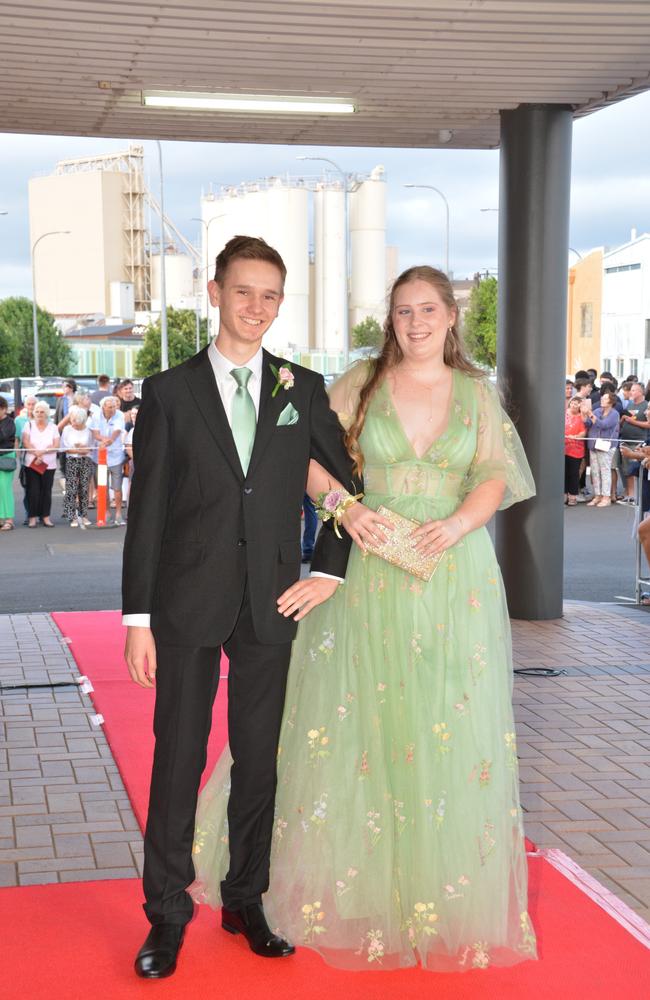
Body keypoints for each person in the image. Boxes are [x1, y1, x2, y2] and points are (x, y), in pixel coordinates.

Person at [192, 265, 537, 972]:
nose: (414, 323)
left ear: (450, 317)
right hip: (364, 572)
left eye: (427, 310)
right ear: (392, 319)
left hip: (451, 578)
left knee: (440, 727)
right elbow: (301, 458)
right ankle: (324, 887)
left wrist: (461, 524)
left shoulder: (476, 392)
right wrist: (345, 507)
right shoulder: (359, 383)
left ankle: (430, 895)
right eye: (403, 312)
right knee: (347, 725)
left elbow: (497, 473)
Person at [121, 235, 358, 979]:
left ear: (280, 304)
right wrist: (136, 621)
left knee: (259, 764)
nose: (256, 307)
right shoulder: (168, 392)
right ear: (215, 292)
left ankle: (244, 898)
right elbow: (147, 513)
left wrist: (331, 571)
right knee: (178, 761)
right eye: (243, 291)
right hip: (186, 603)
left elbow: (349, 494)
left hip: (273, 606)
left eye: (270, 295)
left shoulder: (302, 390)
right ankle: (165, 915)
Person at [22, 401, 60, 528]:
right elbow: (26, 442)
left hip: (49, 464)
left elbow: (56, 445)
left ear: (47, 413)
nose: (39, 414)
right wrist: (37, 454)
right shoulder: (28, 425)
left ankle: (45, 517)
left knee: (46, 491)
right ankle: (32, 518)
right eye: (37, 411)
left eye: (42, 411)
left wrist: (43, 452)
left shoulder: (53, 427)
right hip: (32, 463)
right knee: (33, 491)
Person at [89, 396, 126, 525]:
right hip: (100, 457)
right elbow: (95, 433)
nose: (113, 409)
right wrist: (104, 440)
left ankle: (118, 514)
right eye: (110, 407)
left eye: (114, 406)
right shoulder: (96, 416)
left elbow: (117, 431)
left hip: (116, 456)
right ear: (103, 407)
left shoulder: (119, 415)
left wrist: (110, 440)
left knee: (117, 487)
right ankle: (106, 512)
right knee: (102, 487)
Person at [583, 389, 620, 507]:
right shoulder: (597, 410)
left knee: (605, 471)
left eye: (605, 398)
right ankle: (597, 495)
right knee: (594, 471)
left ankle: (606, 496)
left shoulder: (614, 414)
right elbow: (588, 423)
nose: (601, 400)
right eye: (602, 398)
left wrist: (590, 414)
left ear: (611, 402)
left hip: (606, 446)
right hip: (594, 445)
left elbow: (603, 425)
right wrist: (584, 415)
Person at [60, 405, 93, 528]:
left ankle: (83, 515)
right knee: (71, 488)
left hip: (85, 460)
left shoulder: (88, 431)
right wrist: (78, 449)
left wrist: (81, 449)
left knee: (84, 488)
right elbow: (64, 447)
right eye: (72, 420)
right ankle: (71, 515)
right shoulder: (67, 430)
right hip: (71, 460)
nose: (73, 423)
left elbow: (91, 447)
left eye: (76, 421)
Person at [618, 382, 650, 504]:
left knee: (636, 467)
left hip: (637, 438)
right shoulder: (629, 404)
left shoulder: (645, 404)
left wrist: (632, 421)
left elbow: (648, 425)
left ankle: (633, 495)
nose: (631, 392)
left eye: (634, 390)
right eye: (631, 390)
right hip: (627, 438)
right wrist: (623, 420)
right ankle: (629, 493)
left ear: (641, 392)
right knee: (627, 469)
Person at [564, 394, 586, 505]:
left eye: (576, 404)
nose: (573, 405)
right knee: (563, 472)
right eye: (572, 403)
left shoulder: (581, 417)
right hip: (563, 447)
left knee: (573, 473)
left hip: (576, 448)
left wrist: (576, 436)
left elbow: (584, 432)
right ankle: (563, 494)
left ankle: (572, 495)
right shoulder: (563, 414)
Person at [0, 396, 16, 530]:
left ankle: (9, 520)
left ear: (4, 409)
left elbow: (4, 437)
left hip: (6, 458)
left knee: (5, 489)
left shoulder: (10, 422)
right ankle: (0, 518)